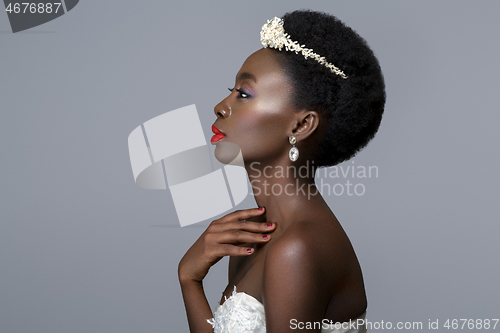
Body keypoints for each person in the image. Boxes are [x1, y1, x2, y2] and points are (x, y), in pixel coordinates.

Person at [178, 9, 385, 333]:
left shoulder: (296, 249)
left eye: (244, 94)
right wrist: (189, 279)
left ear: (301, 125)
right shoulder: (258, 233)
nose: (221, 106)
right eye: (231, 90)